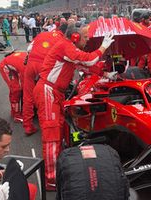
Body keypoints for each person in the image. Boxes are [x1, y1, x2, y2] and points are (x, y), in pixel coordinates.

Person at [33, 23, 115, 190]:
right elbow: (89, 59)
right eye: (85, 37)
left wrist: (106, 74)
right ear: (75, 37)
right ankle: (51, 179)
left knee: (60, 130)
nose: (87, 40)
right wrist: (103, 47)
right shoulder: (66, 46)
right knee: (52, 134)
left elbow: (85, 66)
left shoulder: (68, 48)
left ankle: (59, 168)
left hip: (54, 92)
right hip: (48, 90)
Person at [22, 22, 68, 135]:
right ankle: (47, 127)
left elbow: (29, 48)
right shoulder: (63, 40)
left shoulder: (42, 34)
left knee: (27, 95)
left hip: (31, 64)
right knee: (46, 97)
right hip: (45, 66)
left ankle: (28, 126)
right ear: (66, 33)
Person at [0, 52, 27, 123]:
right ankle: (16, 116)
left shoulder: (30, 59)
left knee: (16, 90)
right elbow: (25, 87)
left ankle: (13, 111)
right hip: (5, 66)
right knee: (16, 90)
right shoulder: (26, 68)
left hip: (13, 64)